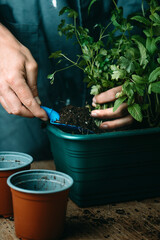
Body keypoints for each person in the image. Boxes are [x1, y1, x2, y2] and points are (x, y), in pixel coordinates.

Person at [0, 0, 143, 160]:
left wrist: (138, 79)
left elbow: (139, 11)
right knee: (22, 163)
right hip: (18, 41)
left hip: (110, 32)